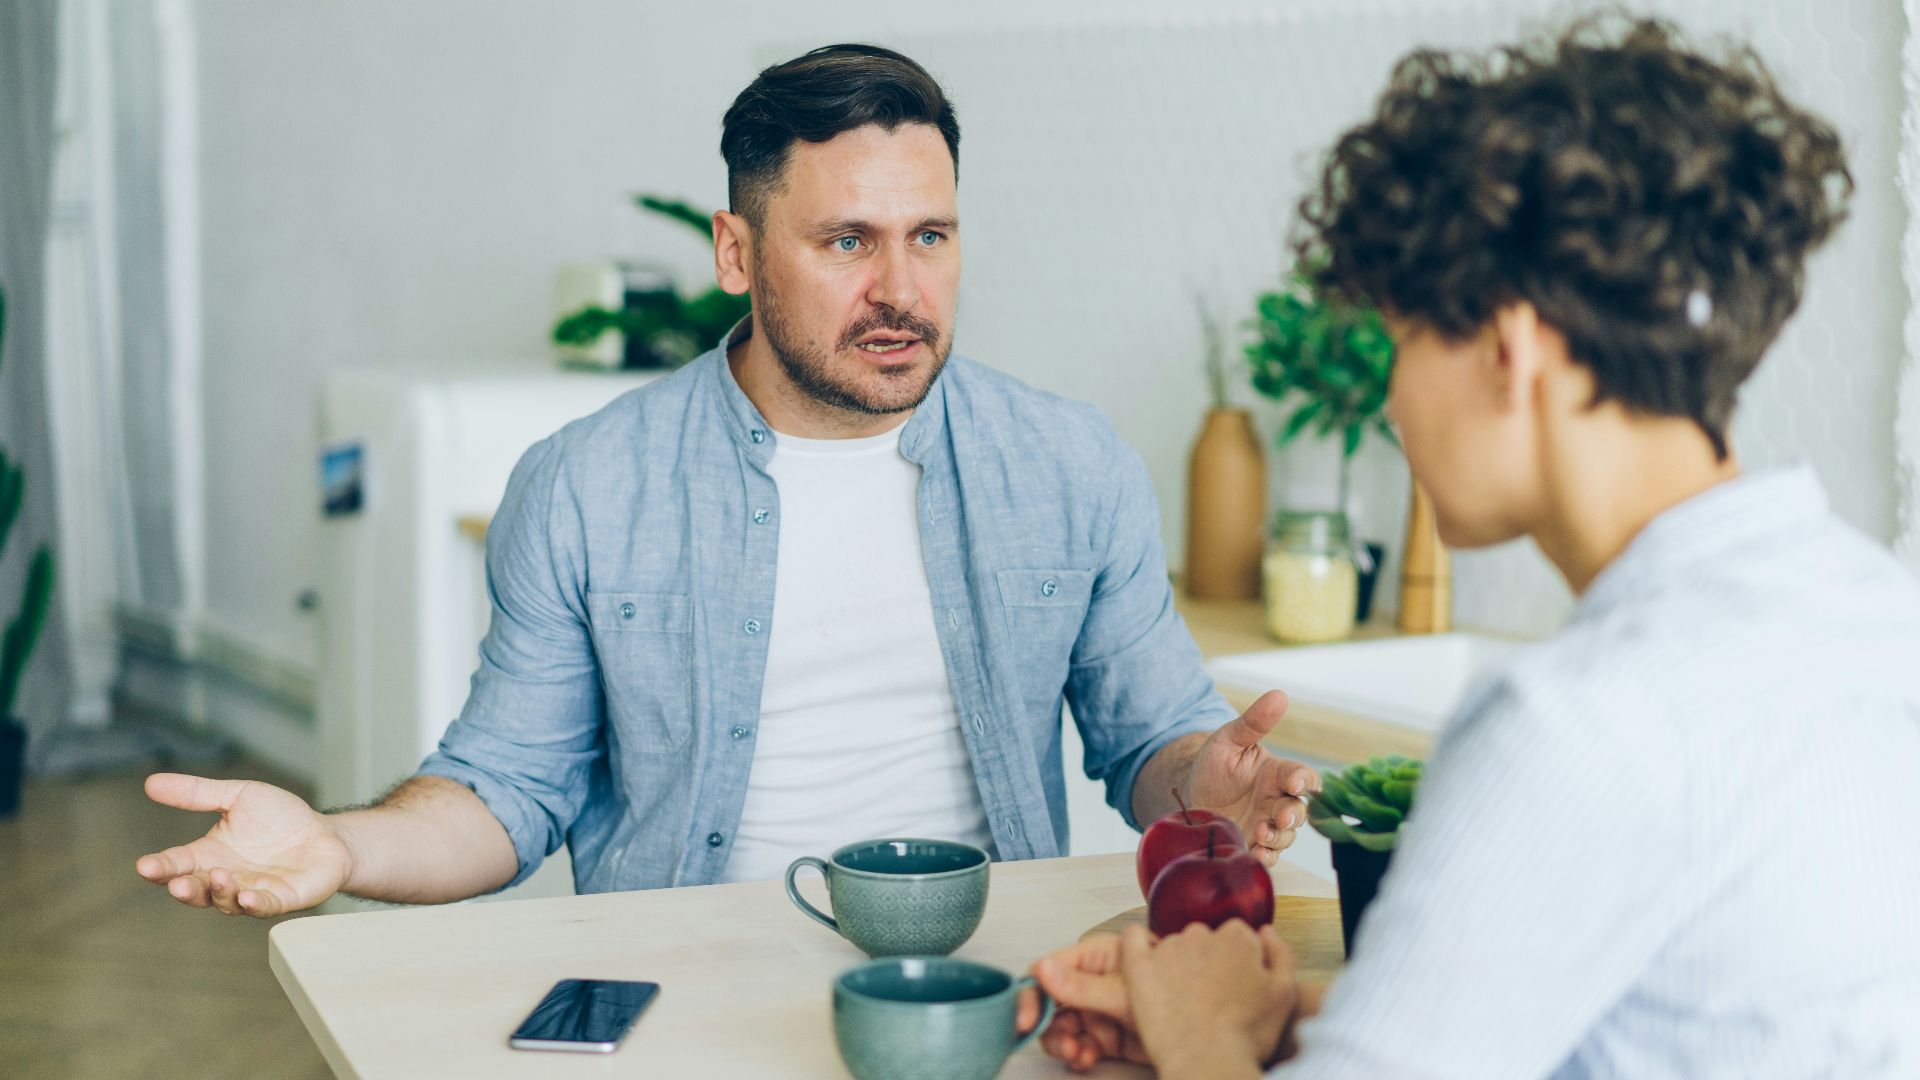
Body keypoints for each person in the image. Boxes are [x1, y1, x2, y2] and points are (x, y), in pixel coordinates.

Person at [134, 44, 1316, 917]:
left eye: (932, 237)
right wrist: (340, 846)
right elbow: (504, 792)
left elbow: (1150, 743)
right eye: (847, 242)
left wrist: (1203, 777)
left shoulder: (1069, 465)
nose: (901, 290)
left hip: (985, 977)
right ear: (737, 252)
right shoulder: (588, 487)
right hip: (680, 982)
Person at [1022, 15, 1920, 1078]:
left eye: (1402, 341)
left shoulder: (1580, 723)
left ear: (1511, 347)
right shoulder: (1875, 610)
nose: (1394, 400)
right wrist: (1293, 1024)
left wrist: (1211, 1036)